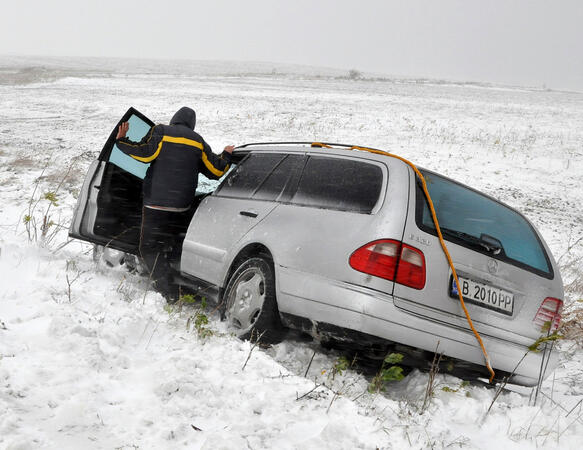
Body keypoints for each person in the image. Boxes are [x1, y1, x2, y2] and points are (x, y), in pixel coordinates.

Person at [115, 106, 234, 301]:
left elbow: (145, 154)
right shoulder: (198, 142)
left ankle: (168, 292)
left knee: (148, 248)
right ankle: (173, 280)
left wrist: (122, 140)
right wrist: (227, 154)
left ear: (174, 119)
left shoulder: (161, 131)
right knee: (166, 243)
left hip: (156, 203)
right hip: (181, 206)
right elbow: (216, 171)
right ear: (192, 124)